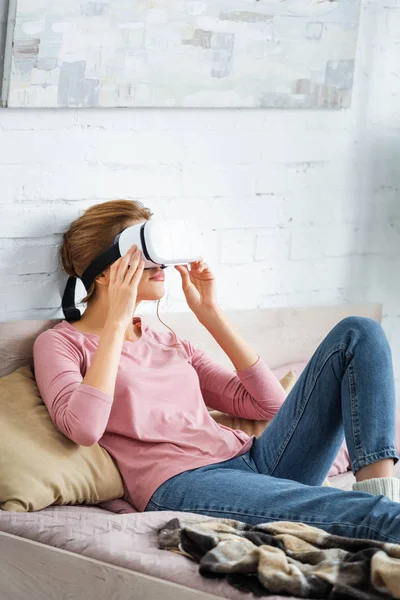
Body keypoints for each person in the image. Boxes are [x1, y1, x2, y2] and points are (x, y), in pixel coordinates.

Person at [33, 200, 400, 543]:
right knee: (370, 516)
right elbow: (84, 428)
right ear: (104, 271)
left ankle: (381, 489)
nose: (160, 264)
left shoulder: (167, 340)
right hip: (183, 482)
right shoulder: (61, 343)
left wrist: (210, 313)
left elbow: (269, 405)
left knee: (358, 332)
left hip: (252, 461)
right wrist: (115, 324)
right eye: (144, 253)